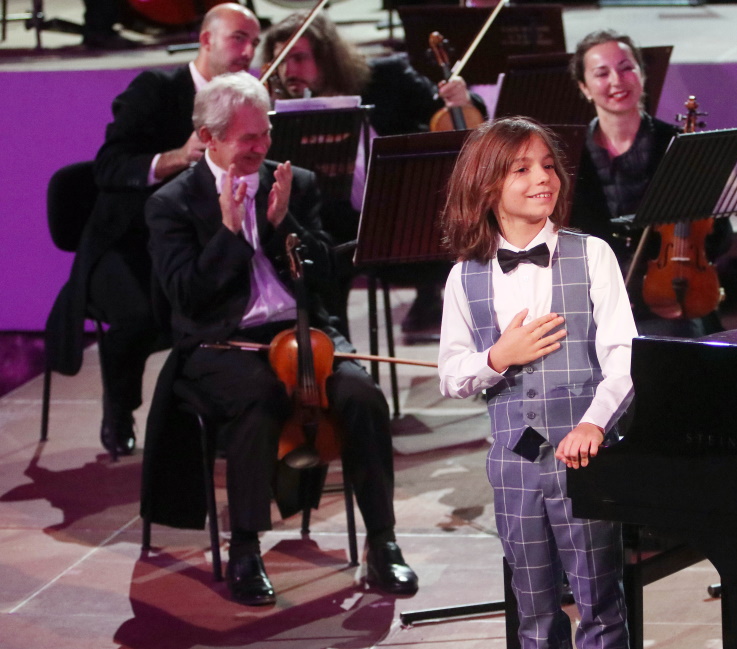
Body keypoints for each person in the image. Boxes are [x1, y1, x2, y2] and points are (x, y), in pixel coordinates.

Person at [143, 73, 417, 606]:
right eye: (248, 138)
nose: (262, 147)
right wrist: (228, 234)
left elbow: (324, 277)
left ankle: (383, 541)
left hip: (304, 331)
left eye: (265, 133)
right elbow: (187, 298)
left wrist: (279, 221)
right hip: (221, 344)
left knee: (362, 396)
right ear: (209, 137)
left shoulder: (295, 184)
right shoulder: (171, 203)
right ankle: (246, 548)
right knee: (261, 397)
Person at [438, 118, 635, 649]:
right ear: (487, 185)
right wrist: (497, 357)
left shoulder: (591, 254)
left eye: (548, 165)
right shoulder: (464, 276)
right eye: (521, 169)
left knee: (599, 601)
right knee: (534, 606)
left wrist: (594, 422)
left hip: (584, 455)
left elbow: (624, 356)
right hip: (515, 464)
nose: (542, 178)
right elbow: (451, 374)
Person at [46, 3, 260, 460]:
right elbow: (109, 167)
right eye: (238, 38)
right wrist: (178, 157)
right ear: (206, 40)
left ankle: (228, 418)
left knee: (241, 302)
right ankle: (120, 407)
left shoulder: (245, 101)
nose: (248, 51)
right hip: (125, 244)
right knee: (142, 316)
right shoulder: (156, 90)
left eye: (254, 42)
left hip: (189, 241)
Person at [261, 12, 488, 338]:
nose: (287, 71)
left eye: (299, 58)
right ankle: (334, 345)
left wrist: (464, 99)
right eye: (280, 60)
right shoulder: (280, 113)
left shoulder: (386, 78)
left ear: (327, 57)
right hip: (341, 229)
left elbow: (449, 113)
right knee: (314, 252)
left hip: (405, 217)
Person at [569, 29, 734, 337]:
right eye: (602, 73)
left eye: (626, 68)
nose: (617, 81)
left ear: (643, 75)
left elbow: (719, 234)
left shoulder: (680, 145)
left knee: (674, 339)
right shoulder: (569, 154)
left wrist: (681, 278)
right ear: (584, 88)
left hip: (667, 299)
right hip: (595, 300)